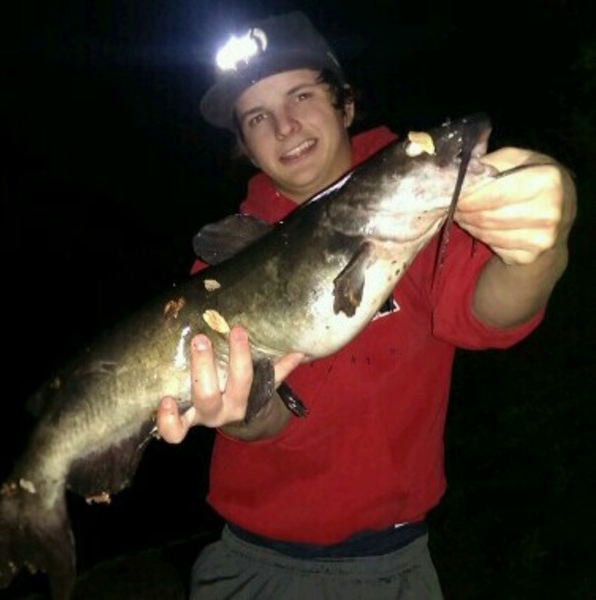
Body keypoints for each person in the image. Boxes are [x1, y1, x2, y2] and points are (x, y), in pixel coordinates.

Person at [156, 11, 576, 599]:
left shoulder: (415, 197)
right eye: (257, 117)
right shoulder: (226, 263)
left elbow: (492, 313)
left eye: (301, 95)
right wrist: (243, 410)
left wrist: (542, 243)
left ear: (346, 104)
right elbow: (264, 419)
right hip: (252, 563)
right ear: (246, 147)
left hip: (392, 566)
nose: (284, 126)